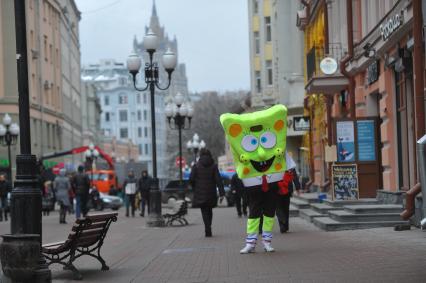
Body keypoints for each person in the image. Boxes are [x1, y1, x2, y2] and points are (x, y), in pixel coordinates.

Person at [220, 104, 288, 254]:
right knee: (254, 213)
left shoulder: (275, 148)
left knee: (270, 213)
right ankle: (250, 243)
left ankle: (267, 242)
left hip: (272, 182)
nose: (262, 153)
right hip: (253, 184)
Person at [190, 148, 225, 237]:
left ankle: (207, 227)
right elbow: (218, 180)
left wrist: (195, 188)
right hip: (211, 193)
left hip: (200, 193)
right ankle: (208, 226)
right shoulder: (213, 166)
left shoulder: (196, 166)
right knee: (209, 210)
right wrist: (221, 193)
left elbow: (191, 179)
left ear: (200, 155)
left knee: (204, 210)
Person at [276, 152, 301, 233]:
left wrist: (298, 187)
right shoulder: (273, 163)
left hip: (286, 189)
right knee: (280, 207)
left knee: (284, 207)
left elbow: (294, 175)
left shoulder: (289, 164)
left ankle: (285, 225)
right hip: (277, 189)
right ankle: (283, 225)